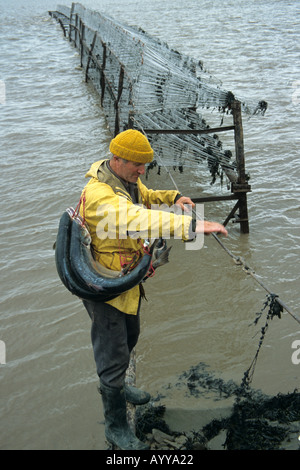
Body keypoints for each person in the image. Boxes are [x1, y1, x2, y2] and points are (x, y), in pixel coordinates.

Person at [79, 129, 227, 450]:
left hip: (128, 280)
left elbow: (144, 196)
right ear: (116, 159)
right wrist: (193, 226)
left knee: (131, 335)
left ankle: (119, 386)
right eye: (137, 164)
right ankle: (116, 426)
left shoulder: (125, 181)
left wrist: (172, 198)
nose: (142, 170)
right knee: (113, 354)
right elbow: (137, 217)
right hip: (105, 287)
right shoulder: (100, 195)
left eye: (145, 164)